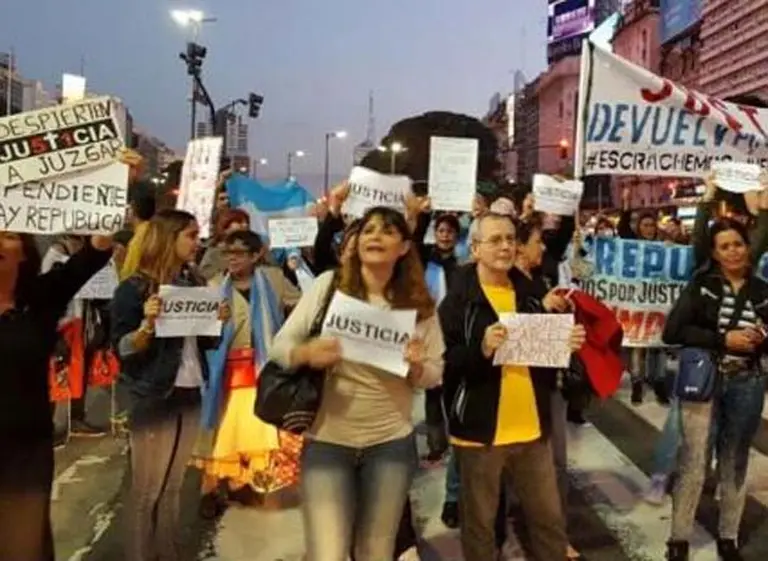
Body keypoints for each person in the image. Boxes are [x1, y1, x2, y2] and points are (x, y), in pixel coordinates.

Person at [269, 206, 445, 561]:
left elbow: (435, 373)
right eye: (368, 230)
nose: (375, 236)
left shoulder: (419, 306)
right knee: (328, 553)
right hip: (328, 441)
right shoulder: (327, 287)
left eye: (387, 231)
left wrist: (415, 367)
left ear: (404, 247)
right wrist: (306, 354)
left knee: (376, 551)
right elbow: (279, 348)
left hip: (390, 445)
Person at [439, 212, 586, 561]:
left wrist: (565, 343)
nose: (505, 246)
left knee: (548, 522)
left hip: (531, 431)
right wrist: (482, 349)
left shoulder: (529, 291)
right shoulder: (458, 301)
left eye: (510, 239)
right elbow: (444, 362)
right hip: (480, 433)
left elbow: (542, 355)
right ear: (475, 248)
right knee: (480, 528)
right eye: (495, 240)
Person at [111, 209, 228, 561]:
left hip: (190, 391)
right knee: (147, 492)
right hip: (153, 395)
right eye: (190, 235)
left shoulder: (194, 283)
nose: (197, 243)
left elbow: (206, 344)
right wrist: (148, 325)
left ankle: (169, 553)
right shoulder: (132, 290)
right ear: (169, 238)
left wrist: (217, 322)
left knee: (175, 487)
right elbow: (122, 350)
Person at [0, 232, 112, 561]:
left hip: (24, 452)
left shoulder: (39, 298)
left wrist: (101, 233)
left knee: (23, 548)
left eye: (5, 235)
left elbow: (86, 262)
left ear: (23, 252)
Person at [663, 219, 768, 561]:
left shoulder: (762, 289)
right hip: (705, 380)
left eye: (737, 243)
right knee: (694, 460)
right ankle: (678, 540)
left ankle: (729, 536)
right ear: (714, 252)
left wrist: (761, 341)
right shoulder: (702, 285)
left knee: (735, 458)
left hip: (748, 382)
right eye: (725, 246)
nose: (733, 251)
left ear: (747, 246)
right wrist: (724, 339)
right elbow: (674, 331)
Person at [194, 230, 301, 515]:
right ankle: (209, 490)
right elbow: (200, 333)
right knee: (221, 431)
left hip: (263, 369)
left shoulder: (275, 281)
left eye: (240, 253)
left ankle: (239, 485)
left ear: (256, 256)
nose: (233, 259)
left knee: (254, 431)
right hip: (225, 370)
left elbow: (302, 306)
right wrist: (213, 323)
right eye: (228, 254)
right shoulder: (214, 285)